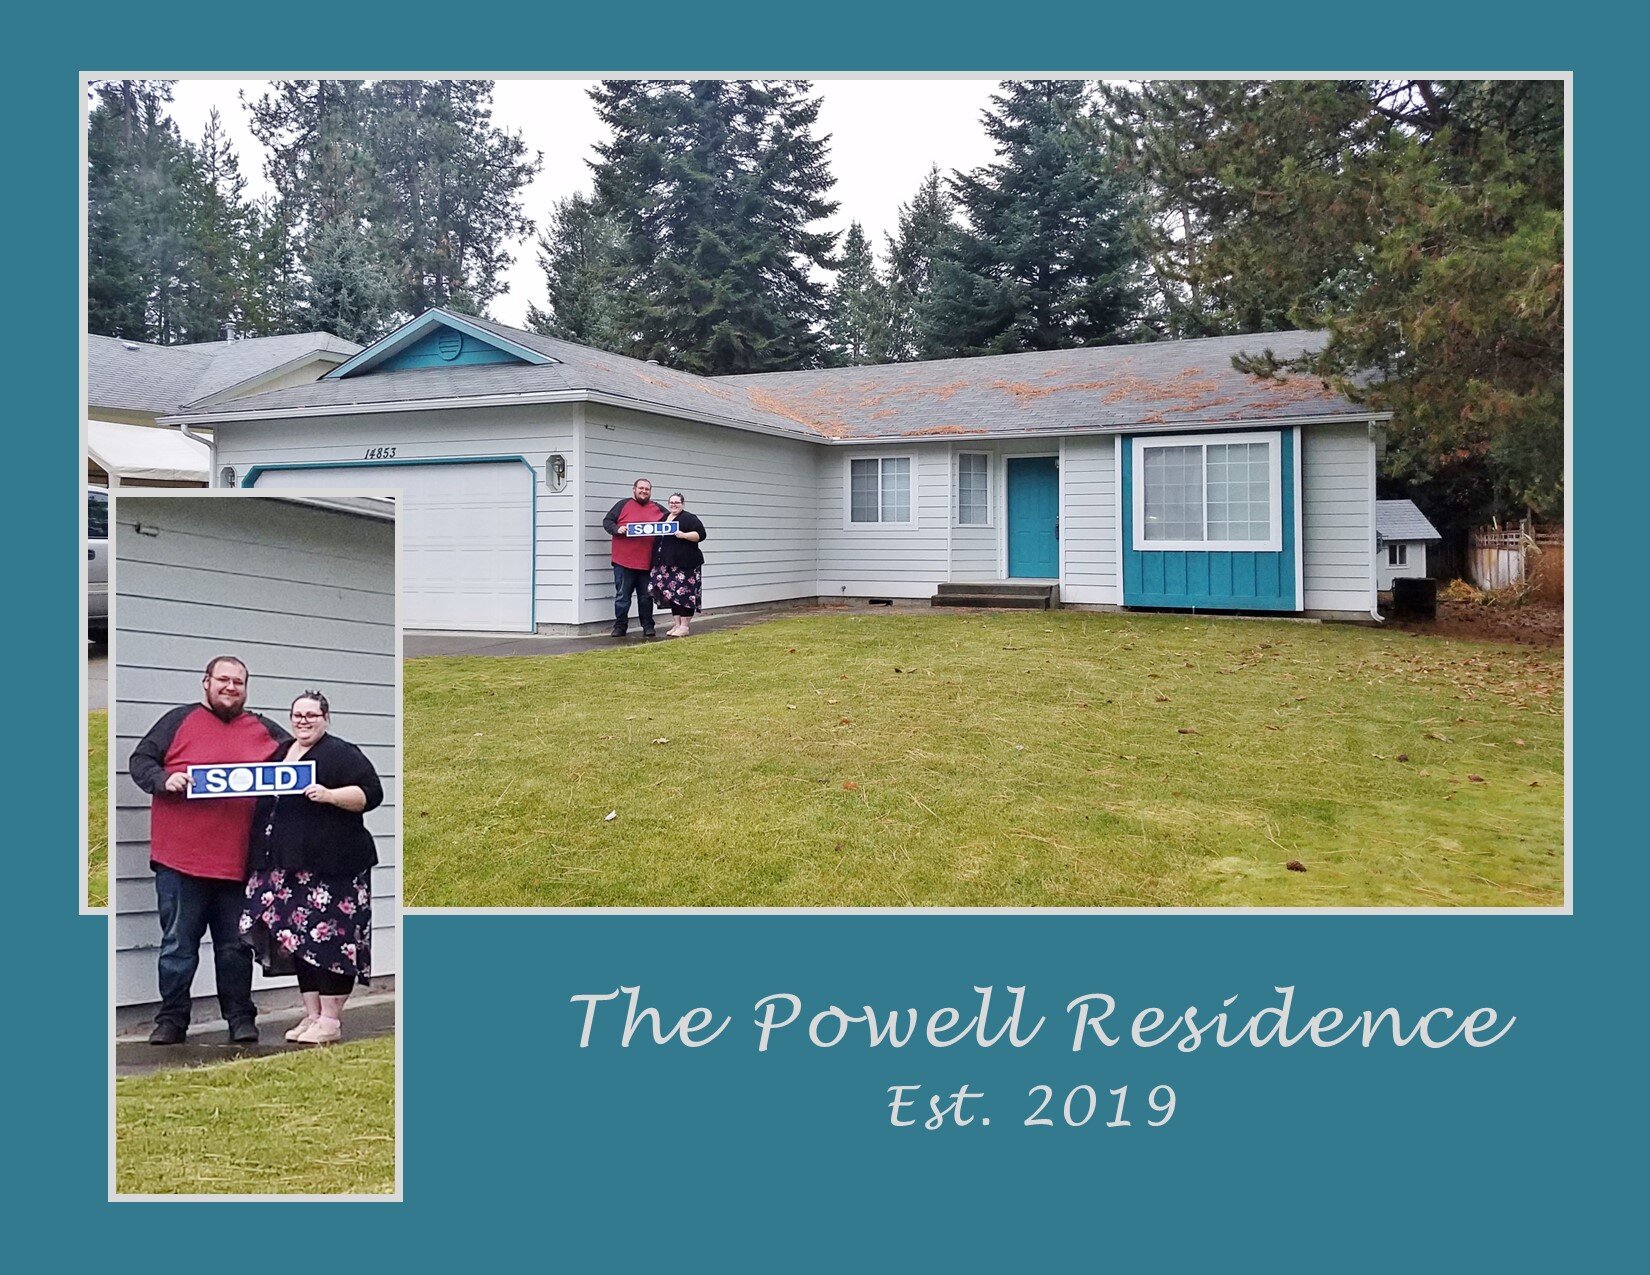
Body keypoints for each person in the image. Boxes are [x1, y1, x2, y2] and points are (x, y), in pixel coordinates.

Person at [128, 656, 290, 1045]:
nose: (231, 687)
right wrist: (164, 780)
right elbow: (141, 761)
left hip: (240, 861)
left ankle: (239, 1018)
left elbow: (303, 759)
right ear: (206, 682)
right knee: (177, 947)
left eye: (239, 681)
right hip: (180, 860)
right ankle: (171, 1021)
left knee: (235, 948)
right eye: (223, 679)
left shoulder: (264, 728)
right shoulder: (177, 720)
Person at [241, 690, 383, 1045]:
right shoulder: (280, 753)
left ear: (325, 718)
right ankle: (313, 1015)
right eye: (298, 715)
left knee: (331, 942)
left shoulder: (341, 753)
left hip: (333, 869)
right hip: (288, 868)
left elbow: (372, 794)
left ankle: (331, 1020)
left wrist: (331, 795)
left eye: (312, 715)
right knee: (300, 942)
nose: (304, 721)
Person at [602, 477, 666, 638]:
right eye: (641, 488)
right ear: (634, 489)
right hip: (623, 562)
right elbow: (607, 521)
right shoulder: (623, 505)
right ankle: (620, 626)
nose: (644, 491)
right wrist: (617, 529)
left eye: (647, 489)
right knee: (623, 596)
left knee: (646, 597)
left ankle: (648, 626)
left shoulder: (658, 508)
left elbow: (673, 521)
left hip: (647, 562)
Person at [649, 492, 709, 637]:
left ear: (683, 504)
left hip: (685, 565)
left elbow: (701, 535)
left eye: (677, 502)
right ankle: (677, 625)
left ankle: (684, 626)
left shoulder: (689, 518)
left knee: (685, 595)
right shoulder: (664, 518)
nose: (674, 505)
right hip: (666, 565)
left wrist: (684, 535)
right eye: (671, 502)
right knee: (672, 595)